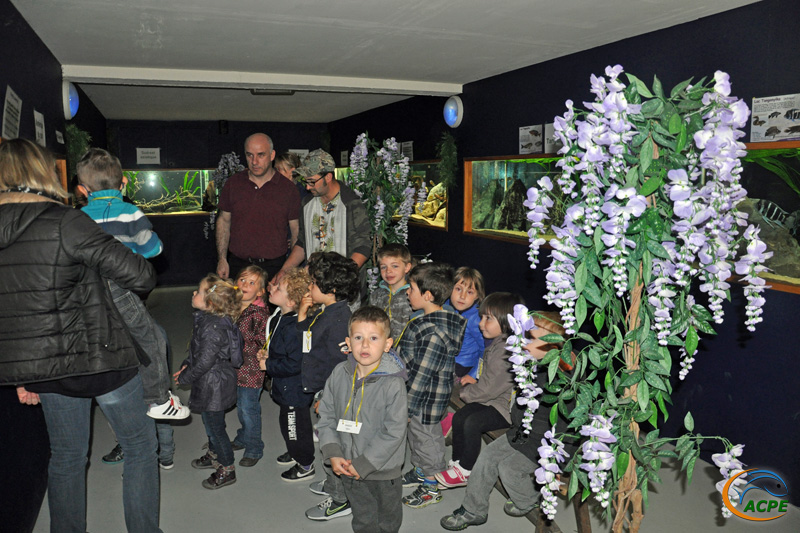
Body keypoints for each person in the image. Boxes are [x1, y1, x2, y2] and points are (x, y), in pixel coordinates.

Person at [0, 138, 162, 532]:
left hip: (45, 369)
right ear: (43, 171)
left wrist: (24, 375)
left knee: (67, 457)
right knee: (141, 447)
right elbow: (141, 274)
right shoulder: (65, 221)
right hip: (100, 355)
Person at [76, 147, 188, 472]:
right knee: (153, 339)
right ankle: (158, 400)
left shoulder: (79, 216)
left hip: (88, 296)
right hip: (120, 289)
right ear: (123, 182)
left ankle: (129, 434)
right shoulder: (129, 211)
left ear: (83, 190)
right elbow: (153, 248)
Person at [439, 311, 579, 531]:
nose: (524, 342)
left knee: (509, 469)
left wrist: (557, 462)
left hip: (546, 445)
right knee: (486, 459)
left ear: (554, 346)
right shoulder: (532, 364)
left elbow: (568, 427)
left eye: (532, 338)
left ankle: (528, 499)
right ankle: (473, 509)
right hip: (522, 432)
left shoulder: (564, 381)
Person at [316, 306, 408, 533]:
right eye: (358, 337)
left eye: (373, 338)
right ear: (348, 342)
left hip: (383, 471)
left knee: (387, 520)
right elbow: (326, 415)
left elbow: (394, 432)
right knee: (362, 519)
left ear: (388, 344)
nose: (365, 345)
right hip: (347, 464)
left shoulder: (393, 384)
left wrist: (364, 464)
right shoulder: (339, 373)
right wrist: (333, 452)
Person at [436, 292, 525, 489]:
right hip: (493, 400)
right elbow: (491, 376)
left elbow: (489, 388)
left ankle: (466, 470)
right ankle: (458, 464)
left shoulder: (505, 351)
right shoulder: (498, 344)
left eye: (488, 318)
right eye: (482, 317)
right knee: (460, 417)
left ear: (506, 322)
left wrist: (467, 393)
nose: (481, 323)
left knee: (472, 423)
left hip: (506, 409)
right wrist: (476, 378)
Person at [396, 262, 466, 509]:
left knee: (427, 441)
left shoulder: (432, 332)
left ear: (427, 295)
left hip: (424, 401)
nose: (407, 292)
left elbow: (420, 376)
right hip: (421, 398)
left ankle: (431, 485)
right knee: (417, 438)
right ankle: (420, 471)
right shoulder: (430, 321)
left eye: (411, 288)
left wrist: (406, 408)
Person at [300, 252, 361, 520]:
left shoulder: (338, 322)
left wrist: (327, 397)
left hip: (333, 395)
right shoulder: (329, 313)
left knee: (334, 444)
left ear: (332, 288)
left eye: (313, 283)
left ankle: (340, 499)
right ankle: (334, 483)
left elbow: (343, 368)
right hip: (325, 391)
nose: (309, 288)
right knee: (329, 442)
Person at [175, 275, 244, 490]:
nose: (194, 294)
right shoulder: (210, 320)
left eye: (198, 291)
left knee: (215, 427)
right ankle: (214, 453)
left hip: (214, 383)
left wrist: (186, 377)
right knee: (211, 422)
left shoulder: (212, 327)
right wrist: (188, 363)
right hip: (212, 381)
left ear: (211, 303)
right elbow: (199, 351)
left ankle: (227, 468)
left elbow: (205, 361)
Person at [273, 149, 370, 286]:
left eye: (312, 182)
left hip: (343, 287)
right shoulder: (306, 203)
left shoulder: (351, 203)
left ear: (328, 177)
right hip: (314, 285)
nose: (307, 187)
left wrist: (344, 278)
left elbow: (363, 247)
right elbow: (302, 242)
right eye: (305, 181)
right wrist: (284, 270)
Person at [216, 133, 301, 281]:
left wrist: (288, 270)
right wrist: (222, 259)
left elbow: (296, 232)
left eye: (260, 155)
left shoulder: (288, 189)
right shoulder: (233, 184)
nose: (254, 161)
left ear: (272, 155)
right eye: (249, 155)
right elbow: (224, 221)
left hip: (274, 267)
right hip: (238, 265)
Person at [259, 267, 316, 481]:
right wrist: (267, 352)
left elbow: (295, 364)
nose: (272, 287)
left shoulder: (294, 328)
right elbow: (278, 347)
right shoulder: (278, 318)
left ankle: (305, 462)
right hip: (284, 388)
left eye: (279, 287)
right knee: (288, 424)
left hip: (294, 390)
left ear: (291, 301)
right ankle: (295, 451)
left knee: (295, 428)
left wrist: (269, 365)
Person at [231, 266, 269, 467]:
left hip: (252, 369)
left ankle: (254, 447)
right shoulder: (231, 305)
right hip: (234, 368)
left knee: (249, 409)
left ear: (261, 291)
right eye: (242, 280)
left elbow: (264, 340)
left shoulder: (259, 314)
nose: (245, 285)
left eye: (252, 283)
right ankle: (242, 437)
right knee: (241, 406)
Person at [369, 243, 414, 339]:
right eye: (383, 267)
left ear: (407, 267)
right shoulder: (376, 295)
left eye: (395, 266)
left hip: (406, 346)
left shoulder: (413, 294)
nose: (388, 271)